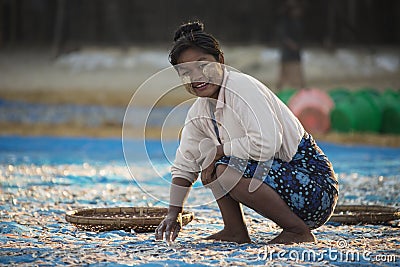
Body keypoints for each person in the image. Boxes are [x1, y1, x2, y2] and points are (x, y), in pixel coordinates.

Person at [155, 21, 338, 244]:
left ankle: (297, 231)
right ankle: (234, 231)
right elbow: (185, 165)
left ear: (220, 61)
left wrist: (218, 151)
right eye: (186, 72)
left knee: (222, 165)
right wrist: (174, 213)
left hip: (315, 191)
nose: (197, 77)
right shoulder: (199, 111)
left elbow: (267, 144)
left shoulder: (241, 87)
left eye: (203, 65)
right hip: (284, 187)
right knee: (209, 159)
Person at [276, 0, 305, 90]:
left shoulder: (298, 22)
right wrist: (292, 45)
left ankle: (298, 89)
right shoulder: (285, 21)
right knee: (285, 73)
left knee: (297, 75)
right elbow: (283, 36)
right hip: (288, 52)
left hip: (295, 53)